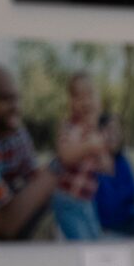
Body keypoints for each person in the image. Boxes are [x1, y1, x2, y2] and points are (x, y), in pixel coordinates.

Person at [0, 61, 57, 242]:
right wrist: (61, 163)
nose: (16, 107)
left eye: (17, 98)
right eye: (4, 98)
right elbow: (5, 224)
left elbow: (31, 174)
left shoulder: (18, 133)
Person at [46, 71, 112, 240]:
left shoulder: (98, 134)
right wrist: (89, 146)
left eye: (90, 94)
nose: (85, 101)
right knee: (82, 242)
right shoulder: (68, 127)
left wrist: (100, 150)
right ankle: (60, 231)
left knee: (96, 240)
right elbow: (66, 157)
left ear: (99, 101)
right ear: (71, 103)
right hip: (67, 201)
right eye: (78, 96)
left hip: (87, 202)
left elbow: (108, 168)